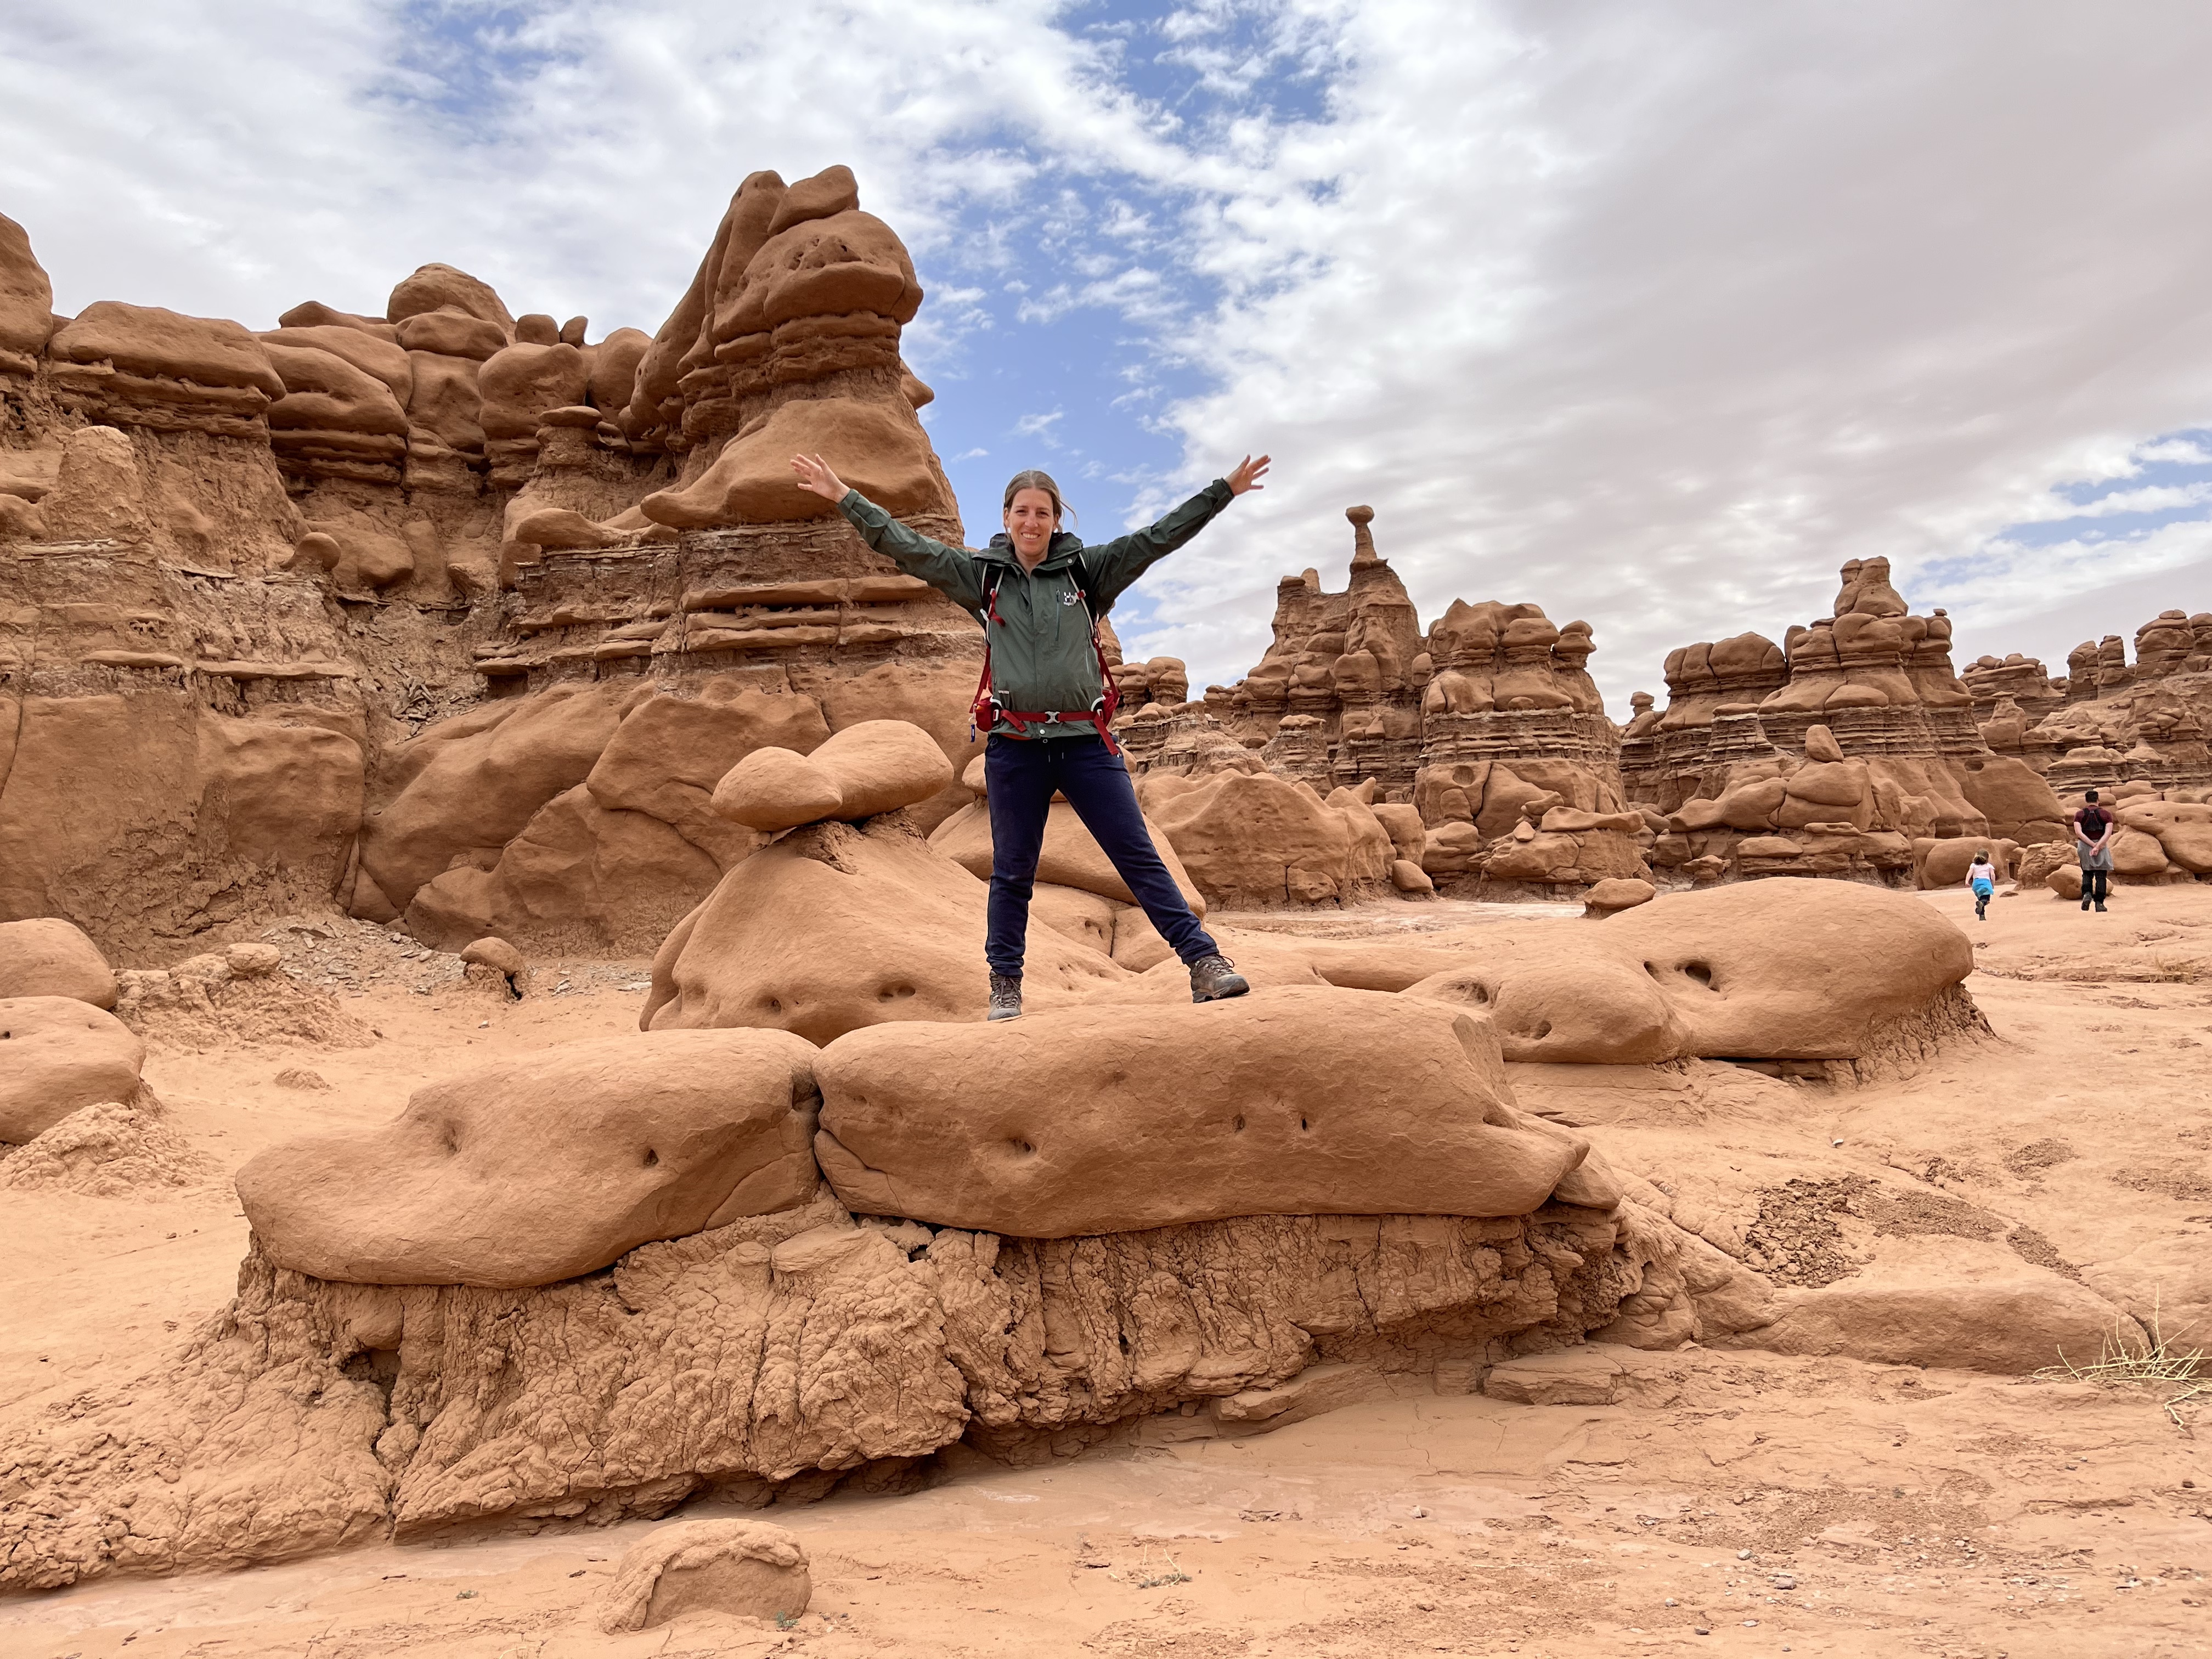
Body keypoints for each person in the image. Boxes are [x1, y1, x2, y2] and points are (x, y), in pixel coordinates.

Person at [790, 450, 1272, 1020]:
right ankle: (1006, 985)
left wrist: (1223, 490)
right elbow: (908, 547)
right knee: (1013, 873)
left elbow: (1157, 538)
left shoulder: (1087, 572)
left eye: (1042, 513)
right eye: (1022, 512)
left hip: (1085, 744)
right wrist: (844, 496)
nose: (1031, 522)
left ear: (1056, 520)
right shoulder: (984, 577)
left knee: (1137, 858)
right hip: (1015, 748)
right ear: (1006, 516)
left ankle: (1204, 963)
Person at [2072, 788, 2115, 912]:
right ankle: (2099, 903)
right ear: (2098, 800)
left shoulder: (2079, 815)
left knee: (2087, 873)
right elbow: (2108, 833)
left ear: (2086, 801)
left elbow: (2078, 833)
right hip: (2101, 845)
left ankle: (2087, 894)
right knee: (2101, 875)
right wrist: (2097, 846)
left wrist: (2091, 845)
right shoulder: (2106, 814)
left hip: (2084, 846)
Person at [1963, 848, 1997, 921]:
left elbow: (1970, 873)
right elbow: (1992, 875)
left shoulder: (1973, 865)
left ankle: (1982, 916)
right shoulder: (1989, 866)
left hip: (1976, 884)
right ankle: (1982, 904)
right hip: (1986, 884)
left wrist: (1967, 881)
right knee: (1986, 901)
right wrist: (1993, 885)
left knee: (1981, 899)